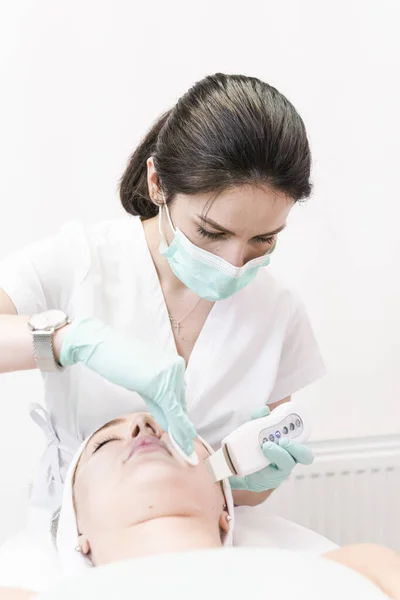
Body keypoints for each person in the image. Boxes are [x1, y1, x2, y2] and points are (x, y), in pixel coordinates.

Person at [0, 72, 326, 527]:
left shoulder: (278, 311)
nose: (235, 263)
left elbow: (245, 491)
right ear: (158, 184)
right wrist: (72, 340)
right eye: (212, 232)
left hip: (203, 539)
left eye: (263, 240)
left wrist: (252, 478)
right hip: (77, 533)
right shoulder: (83, 259)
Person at [1, 412, 400, 600]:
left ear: (225, 507)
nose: (144, 429)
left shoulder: (358, 564)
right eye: (106, 443)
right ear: (79, 532)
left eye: (176, 436)